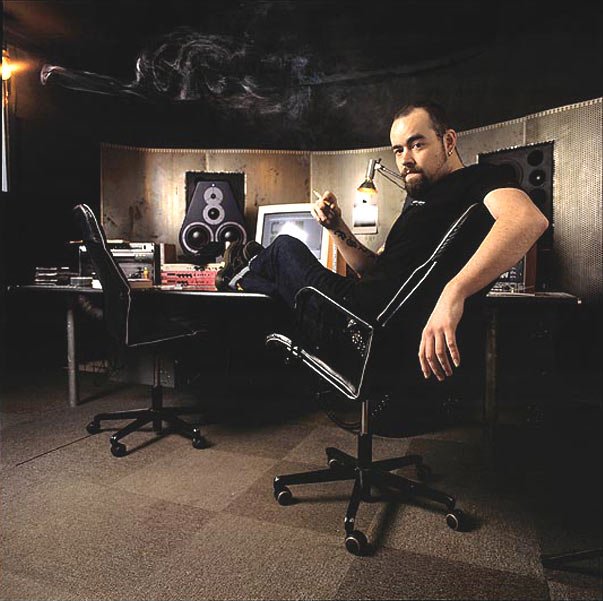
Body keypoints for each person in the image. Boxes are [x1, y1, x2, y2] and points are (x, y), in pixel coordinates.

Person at [216, 100, 549, 383]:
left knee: (284, 247)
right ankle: (246, 272)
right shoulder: (419, 202)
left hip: (361, 325)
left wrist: (454, 292)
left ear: (448, 141)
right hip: (363, 313)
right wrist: (335, 226)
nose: (405, 159)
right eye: (398, 150)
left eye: (417, 145)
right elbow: (370, 269)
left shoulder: (478, 178)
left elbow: (527, 219)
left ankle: (243, 270)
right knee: (273, 281)